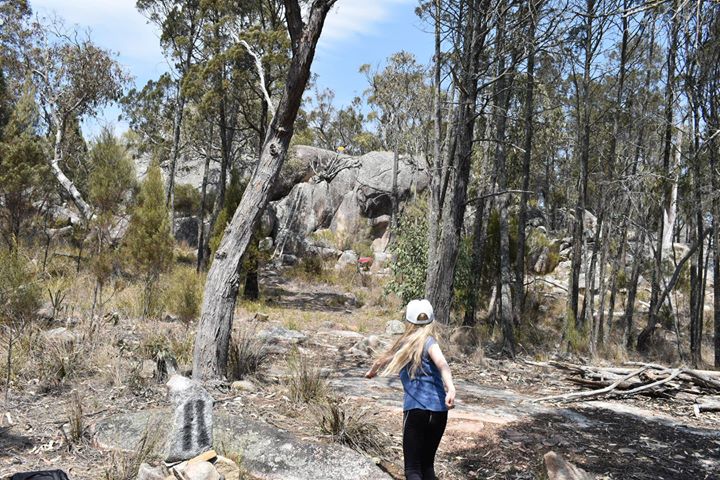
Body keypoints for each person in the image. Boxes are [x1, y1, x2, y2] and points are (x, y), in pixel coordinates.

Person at [365, 299, 456, 480]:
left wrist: (371, 372)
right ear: (431, 321)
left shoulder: (404, 344)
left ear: (409, 321)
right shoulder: (431, 342)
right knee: (427, 465)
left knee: (413, 469)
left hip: (415, 410)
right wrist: (451, 389)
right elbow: (443, 364)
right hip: (438, 412)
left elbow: (380, 360)